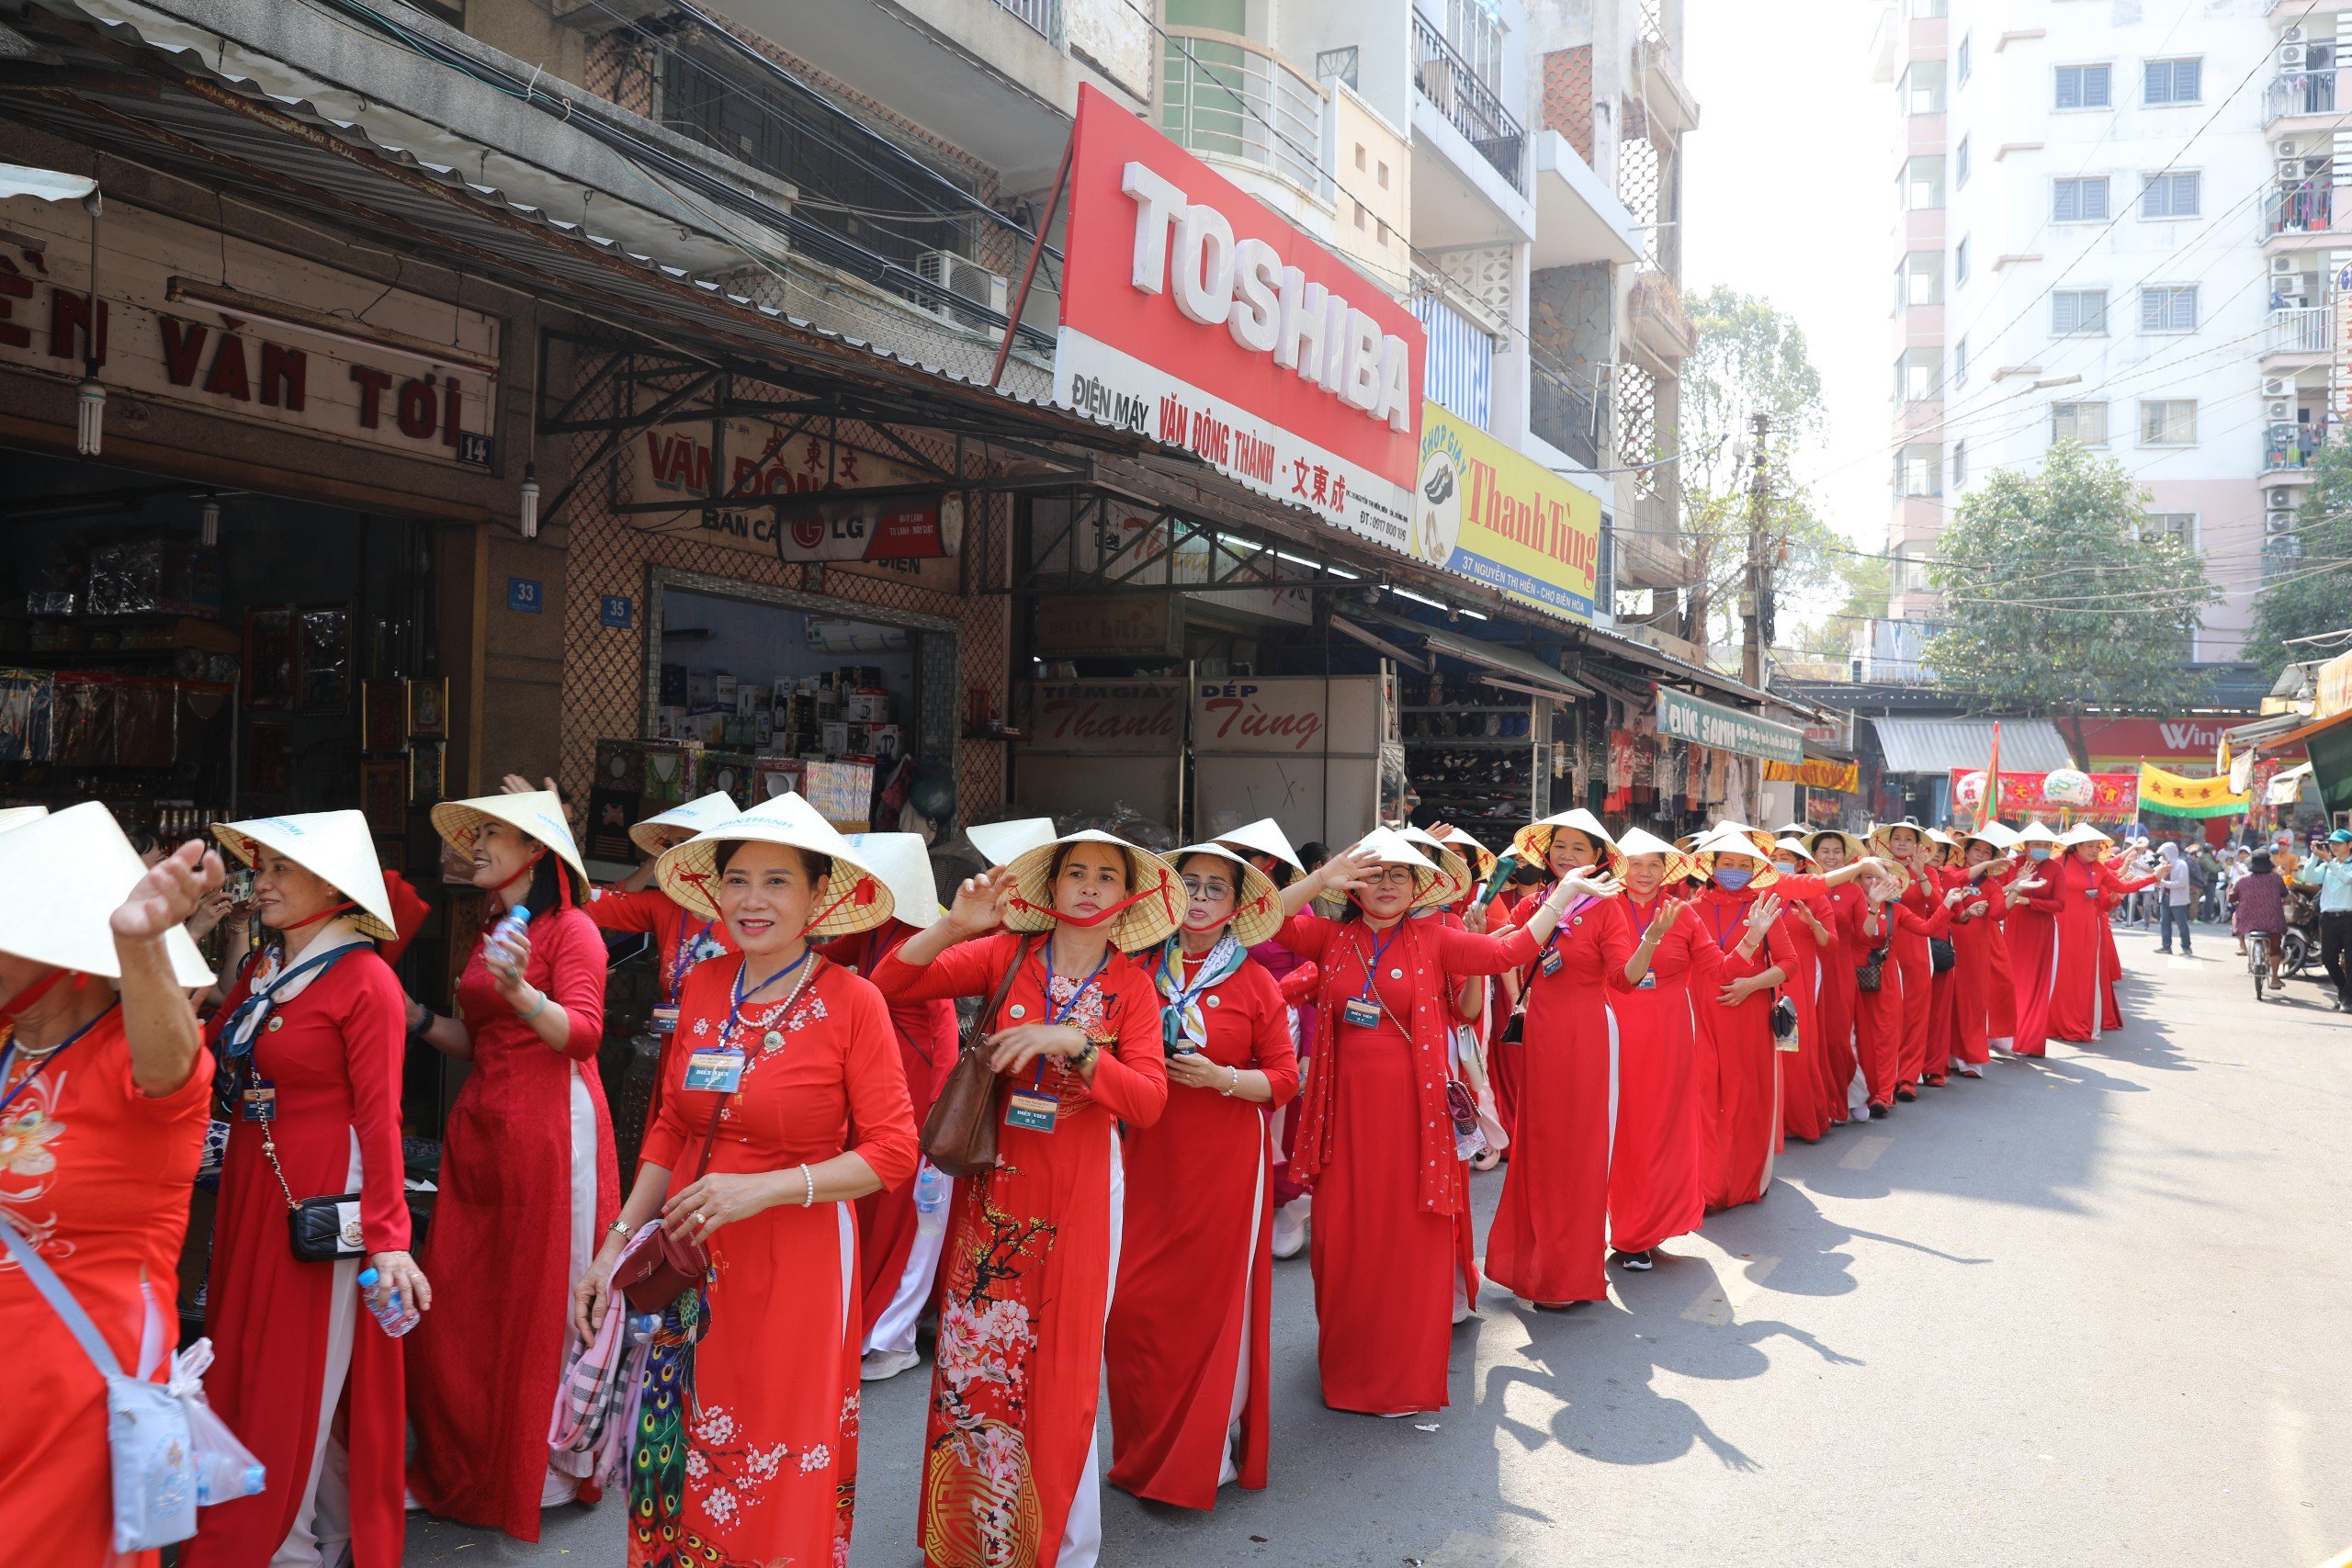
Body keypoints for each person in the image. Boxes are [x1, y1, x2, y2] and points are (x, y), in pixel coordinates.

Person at [572, 794, 918, 1568]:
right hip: (689, 1266)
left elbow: (895, 1151)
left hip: (794, 1263)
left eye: (776, 881)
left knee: (774, 1447)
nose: (752, 900)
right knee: (676, 1445)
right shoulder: (703, 984)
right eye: (736, 880)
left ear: (818, 896)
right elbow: (671, 1124)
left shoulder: (852, 1002)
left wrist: (761, 1189)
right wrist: (616, 1241)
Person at [872, 829, 1178, 1568]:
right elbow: (889, 986)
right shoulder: (1006, 958)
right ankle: (969, 1535)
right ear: (1052, 886)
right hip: (992, 1194)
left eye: (1108, 876)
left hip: (1078, 1198)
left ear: (1128, 900)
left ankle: (1047, 1543)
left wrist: (1072, 1044)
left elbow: (1149, 1102)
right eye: (1076, 871)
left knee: (1060, 1371)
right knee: (977, 1363)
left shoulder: (1133, 988)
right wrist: (952, 925)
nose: (1090, 886)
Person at [1276, 830, 1591, 1415]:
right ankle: (1348, 1365)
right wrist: (1320, 879)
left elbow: (1510, 952)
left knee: (1407, 1243)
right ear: (1354, 884)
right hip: (1343, 1122)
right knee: (1343, 1241)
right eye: (1374, 874)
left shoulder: (1435, 939)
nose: (1386, 886)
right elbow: (1263, 922)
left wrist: (1562, 895)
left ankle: (1400, 1375)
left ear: (1421, 887)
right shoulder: (1330, 937)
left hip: (1414, 1124)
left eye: (1400, 875)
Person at [185, 814, 425, 1568]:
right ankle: (290, 1523)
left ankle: (280, 1542)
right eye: (264, 868)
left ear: (333, 884)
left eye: (282, 870)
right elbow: (203, 1048)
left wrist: (389, 1238)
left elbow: (380, 1118)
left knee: (294, 1370)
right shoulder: (266, 965)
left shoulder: (367, 980)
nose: (263, 883)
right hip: (256, 1178)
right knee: (243, 1355)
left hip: (317, 1192)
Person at [0, 804, 221, 1565]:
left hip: (76, 1387)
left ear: (59, 953)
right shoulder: (9, 1045)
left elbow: (175, 1063)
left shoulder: (138, 1067)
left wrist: (141, 940)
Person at [403, 790, 619, 1539]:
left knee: (540, 1300)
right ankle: (470, 1461)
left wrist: (522, 990)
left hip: (551, 1130)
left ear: (536, 850)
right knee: (463, 1297)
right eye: (478, 833)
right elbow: (479, 1036)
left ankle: (544, 1465)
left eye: (493, 832)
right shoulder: (495, 923)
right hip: (483, 1125)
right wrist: (419, 1019)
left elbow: (584, 1036)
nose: (478, 844)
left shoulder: (576, 931)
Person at [1105, 842, 1298, 1509]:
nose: (1200, 897)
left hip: (1223, 1163)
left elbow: (1283, 1079)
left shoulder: (1256, 983)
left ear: (1238, 907)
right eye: (1189, 883)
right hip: (1145, 1156)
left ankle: (1200, 1454)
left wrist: (1223, 1079)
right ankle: (1140, 1450)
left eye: (1216, 888)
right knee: (1132, 1307)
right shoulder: (1135, 970)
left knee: (1206, 1308)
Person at [809, 830, 961, 1385]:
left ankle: (892, 1337)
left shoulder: (923, 937)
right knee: (880, 1213)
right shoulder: (875, 929)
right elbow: (824, 956)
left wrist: (938, 1120)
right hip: (878, 1087)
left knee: (912, 1218)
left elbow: (945, 1035)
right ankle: (874, 1324)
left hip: (920, 1095)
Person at [1485, 810, 1632, 1309]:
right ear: (1546, 854)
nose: (1567, 856)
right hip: (1542, 1036)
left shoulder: (1608, 908)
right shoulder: (1535, 903)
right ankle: (1533, 1266)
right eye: (1560, 847)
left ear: (1598, 859)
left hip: (1588, 1037)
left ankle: (1569, 1275)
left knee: (1578, 1152)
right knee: (1540, 1149)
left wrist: (1651, 941)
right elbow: (1503, 953)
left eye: (1580, 849)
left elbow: (1624, 977)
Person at [573, 789, 741, 1092]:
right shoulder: (663, 907)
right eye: (672, 844)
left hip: (730, 1060)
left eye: (687, 843)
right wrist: (546, 847)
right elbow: (589, 901)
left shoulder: (753, 915)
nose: (677, 853)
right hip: (673, 1053)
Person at [1603, 829, 1717, 1269]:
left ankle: (1646, 1229)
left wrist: (1752, 938)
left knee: (1663, 1127)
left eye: (1654, 864)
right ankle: (1630, 1230)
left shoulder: (1685, 915)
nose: (1645, 873)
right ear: (1619, 867)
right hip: (1614, 1024)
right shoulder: (1601, 907)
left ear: (1667, 870)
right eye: (1636, 863)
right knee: (1625, 1126)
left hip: (1670, 1031)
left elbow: (1717, 968)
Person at [1212, 820, 1317, 1258]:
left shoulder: (1300, 914)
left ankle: (1285, 1209)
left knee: (1278, 1120)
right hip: (1225, 1020)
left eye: (1242, 857)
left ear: (1268, 864)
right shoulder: (1222, 909)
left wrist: (1309, 1050)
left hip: (1281, 1021)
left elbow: (1315, 978)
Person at [1684, 827, 1800, 1207]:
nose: (1734, 869)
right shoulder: (1691, 908)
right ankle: (1710, 1185)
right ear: (1711, 866)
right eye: (1727, 863)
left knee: (1745, 1099)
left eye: (1742, 864)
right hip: (1700, 1015)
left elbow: (1789, 963)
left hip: (1748, 1017)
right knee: (1703, 1099)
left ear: (1755, 869)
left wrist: (1750, 986)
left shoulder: (1763, 907)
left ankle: (1746, 1179)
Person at [2294, 829, 2352, 1011]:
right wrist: (2314, 856)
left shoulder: (2339, 864)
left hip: (2349, 918)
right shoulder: (2329, 864)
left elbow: (2346, 879)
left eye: (2338, 843)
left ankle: (2347, 999)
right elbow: (2309, 877)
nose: (2333, 847)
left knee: (2351, 961)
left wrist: (2328, 860)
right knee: (2327, 959)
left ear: (2349, 845)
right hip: (2328, 918)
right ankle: (2345, 992)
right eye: (2331, 843)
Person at [2236, 852, 2290, 990]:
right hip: (2272, 921)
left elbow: (2232, 897)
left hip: (2249, 921)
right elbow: (2286, 895)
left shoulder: (2242, 880)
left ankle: (2242, 945)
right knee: (2275, 946)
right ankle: (2275, 978)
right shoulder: (2276, 879)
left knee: (2236, 916)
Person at [2154, 841, 2196, 956]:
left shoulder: (2181, 864)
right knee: (2164, 922)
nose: (2163, 857)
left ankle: (2186, 947)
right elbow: (2157, 879)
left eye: (2164, 854)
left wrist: (2164, 883)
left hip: (2178, 899)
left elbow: (2181, 883)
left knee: (2181, 924)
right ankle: (2166, 946)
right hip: (2165, 898)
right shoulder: (2163, 865)